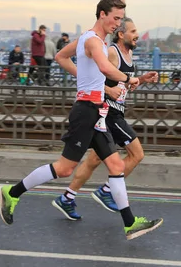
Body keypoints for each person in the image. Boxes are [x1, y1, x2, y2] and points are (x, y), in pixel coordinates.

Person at [0, 0, 163, 240]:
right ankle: (12, 192)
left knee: (116, 165)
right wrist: (130, 79)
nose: (117, 24)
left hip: (98, 112)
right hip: (86, 112)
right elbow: (106, 69)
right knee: (64, 169)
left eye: (120, 19)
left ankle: (130, 224)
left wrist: (85, 79)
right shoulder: (95, 42)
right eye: (115, 18)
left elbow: (61, 58)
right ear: (102, 14)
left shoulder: (87, 39)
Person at [52, 18, 158, 220]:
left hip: (115, 110)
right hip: (108, 112)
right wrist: (108, 90)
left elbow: (121, 86)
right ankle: (107, 191)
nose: (137, 34)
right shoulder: (111, 53)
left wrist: (141, 79)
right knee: (136, 154)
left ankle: (66, 198)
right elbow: (92, 79)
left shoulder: (129, 54)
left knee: (94, 159)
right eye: (133, 31)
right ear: (121, 34)